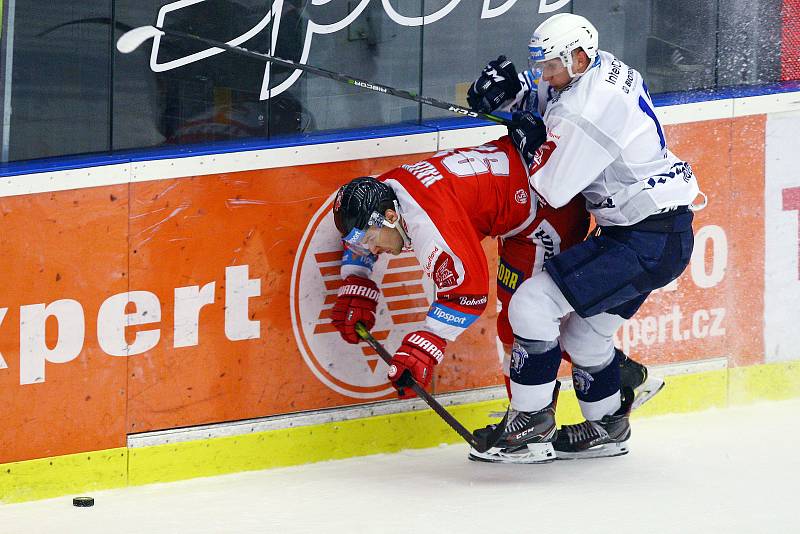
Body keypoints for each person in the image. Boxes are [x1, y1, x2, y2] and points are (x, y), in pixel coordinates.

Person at [329, 133, 660, 463]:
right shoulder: (385, 192)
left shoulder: (429, 224)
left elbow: (468, 293)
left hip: (546, 212)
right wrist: (356, 279)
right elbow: (360, 233)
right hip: (523, 205)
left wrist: (423, 346)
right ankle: (618, 376)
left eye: (372, 240)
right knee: (522, 325)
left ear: (389, 217)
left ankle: (531, 432)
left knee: (526, 323)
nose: (372, 249)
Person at [465, 13, 704, 462]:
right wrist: (514, 94)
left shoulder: (590, 110)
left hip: (645, 240)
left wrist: (527, 135)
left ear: (579, 56)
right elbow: (553, 100)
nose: (545, 75)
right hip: (655, 234)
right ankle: (608, 427)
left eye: (550, 65)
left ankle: (529, 424)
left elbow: (553, 187)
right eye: (540, 65)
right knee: (584, 339)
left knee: (531, 304)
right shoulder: (596, 68)